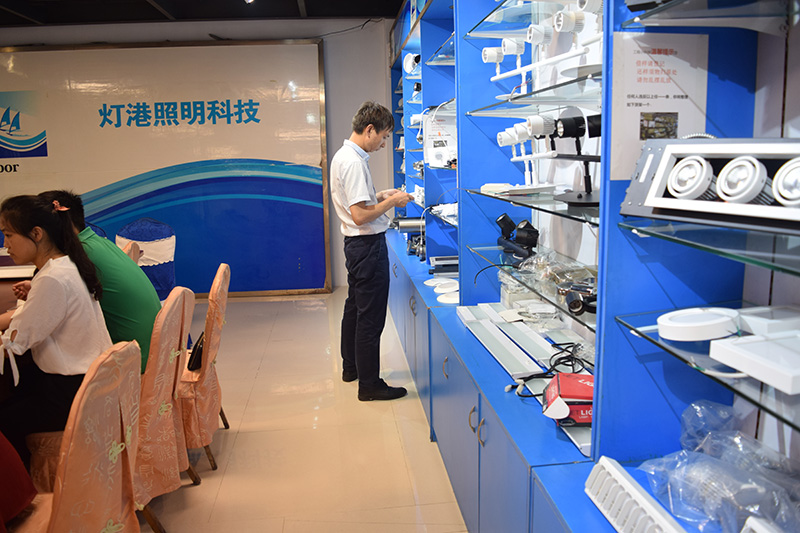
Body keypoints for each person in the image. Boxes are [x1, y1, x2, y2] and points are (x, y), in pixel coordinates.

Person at [0, 195, 112, 465]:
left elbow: (15, 342)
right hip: (91, 384)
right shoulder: (66, 264)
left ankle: (25, 487)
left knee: (6, 419)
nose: (5, 245)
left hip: (72, 393)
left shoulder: (52, 278)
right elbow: (30, 320)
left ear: (36, 234)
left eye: (9, 235)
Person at [330, 101, 414, 401]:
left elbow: (358, 202)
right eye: (384, 136)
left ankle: (351, 368)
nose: (384, 143)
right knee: (370, 318)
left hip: (356, 247)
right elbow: (360, 216)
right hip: (367, 247)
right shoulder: (354, 162)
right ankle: (369, 385)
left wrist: (379, 195)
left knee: (355, 308)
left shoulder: (344, 156)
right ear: (369, 130)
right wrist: (392, 202)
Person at [33, 190, 161, 373]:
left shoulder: (78, 256)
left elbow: (38, 315)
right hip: (150, 352)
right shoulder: (96, 242)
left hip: (129, 362)